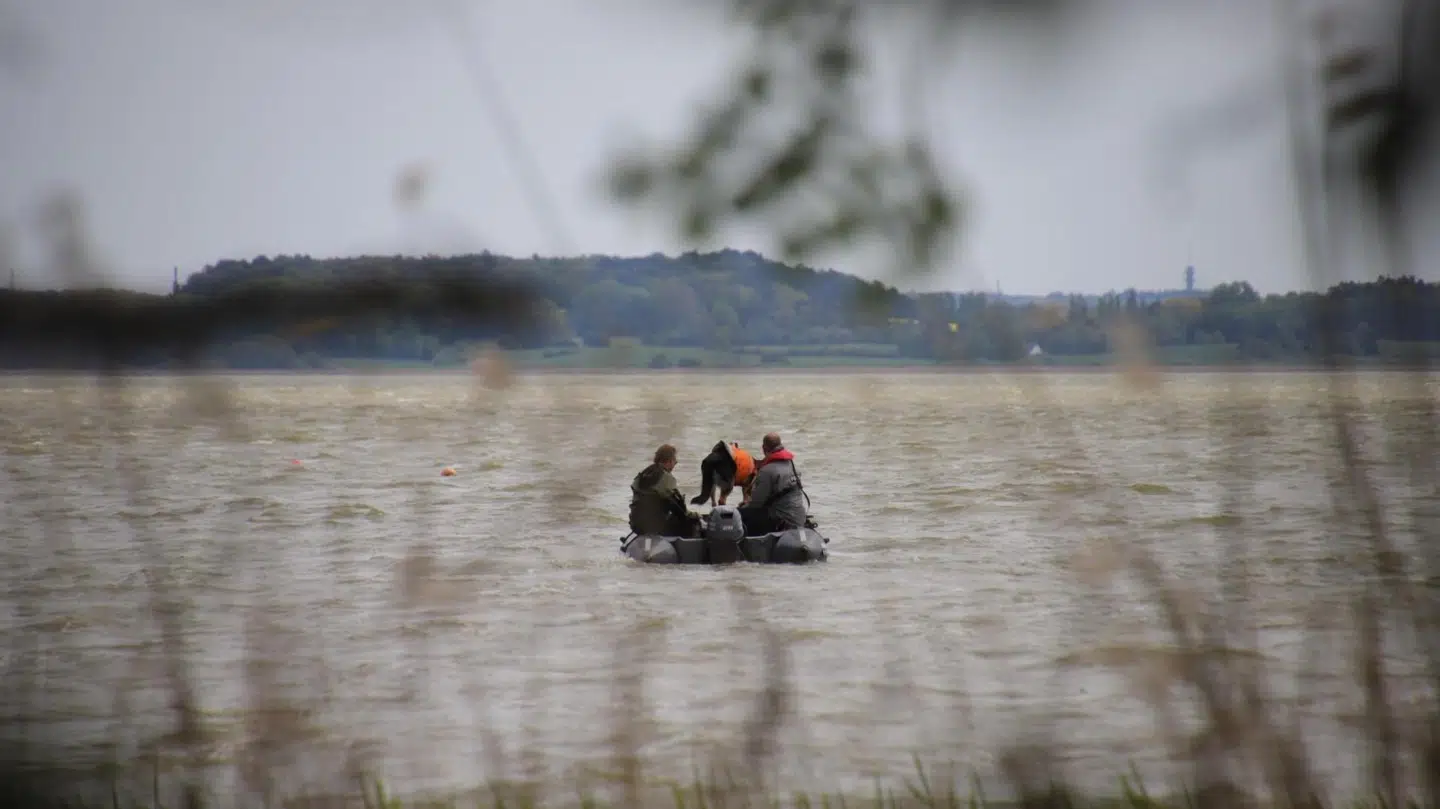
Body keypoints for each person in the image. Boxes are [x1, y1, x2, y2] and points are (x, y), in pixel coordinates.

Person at [737, 432, 809, 535]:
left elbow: (756, 504)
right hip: (799, 517)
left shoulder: (767, 471)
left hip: (781, 520)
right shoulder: (793, 465)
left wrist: (743, 507)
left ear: (763, 448)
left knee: (739, 514)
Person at [628, 443, 700, 537]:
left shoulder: (644, 473)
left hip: (636, 524)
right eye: (675, 461)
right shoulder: (666, 478)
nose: (675, 463)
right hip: (653, 526)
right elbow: (679, 509)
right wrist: (696, 516)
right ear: (669, 461)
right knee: (690, 522)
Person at [690, 440, 757, 507]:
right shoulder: (753, 472)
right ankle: (722, 504)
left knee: (710, 484)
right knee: (724, 497)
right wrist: (745, 501)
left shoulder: (746, 462)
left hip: (709, 461)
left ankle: (713, 504)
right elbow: (747, 494)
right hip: (725, 464)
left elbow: (711, 483)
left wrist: (713, 502)